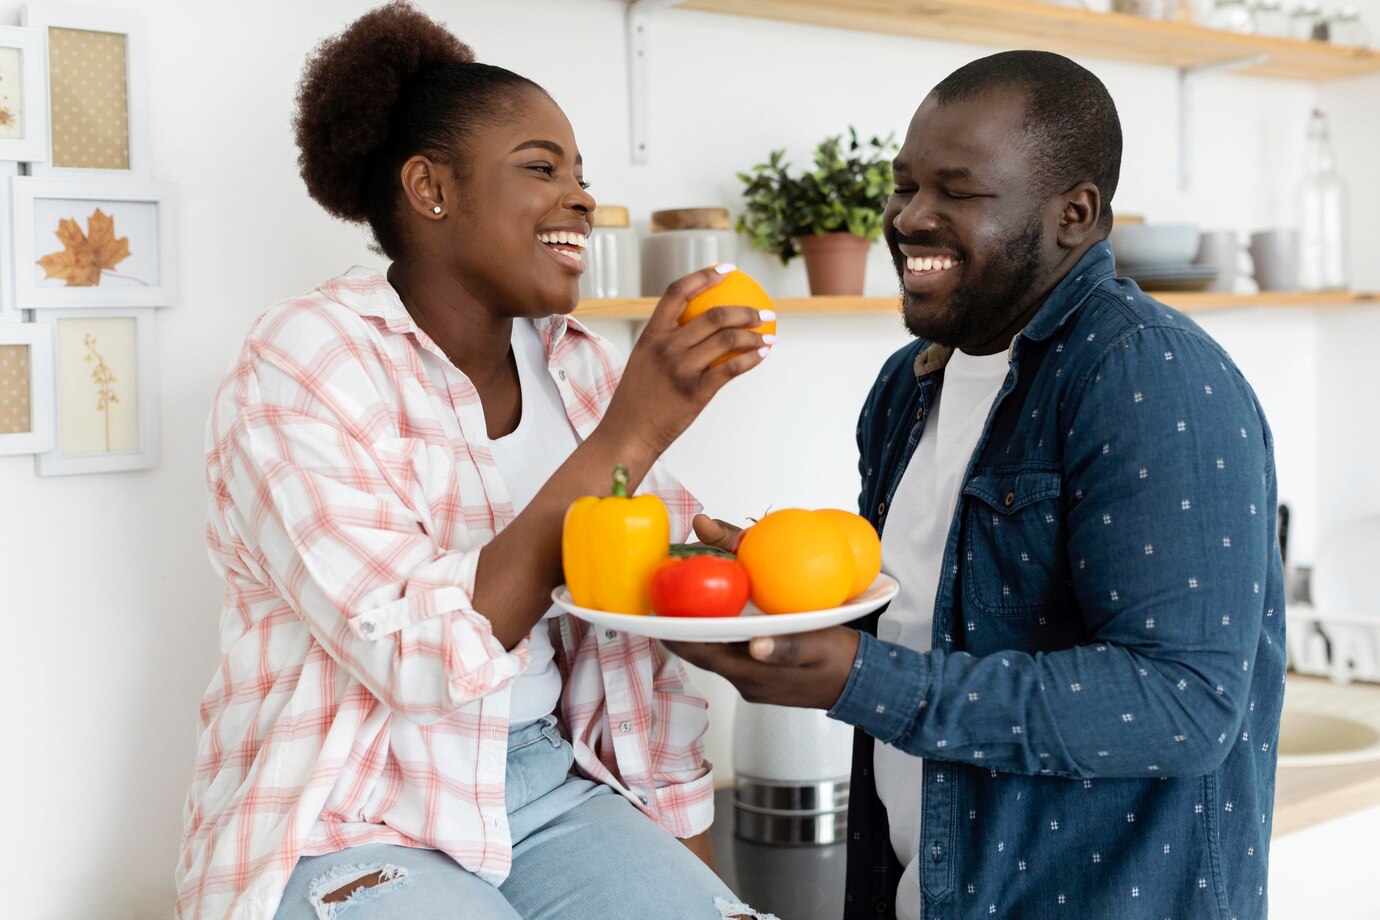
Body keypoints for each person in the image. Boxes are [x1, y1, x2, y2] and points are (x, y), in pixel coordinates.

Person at [174, 4, 779, 918]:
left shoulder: (577, 366)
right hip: (353, 809)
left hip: (546, 782)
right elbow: (415, 662)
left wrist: (743, 589)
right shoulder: (303, 361)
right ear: (430, 188)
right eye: (542, 168)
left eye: (583, 176)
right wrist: (630, 435)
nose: (581, 198)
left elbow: (635, 628)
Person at [673, 50, 1284, 920]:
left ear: (1074, 213)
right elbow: (935, 614)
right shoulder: (907, 386)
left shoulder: (1146, 372)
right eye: (903, 185)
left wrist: (859, 679)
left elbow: (1183, 703)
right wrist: (781, 592)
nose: (908, 218)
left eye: (956, 192)